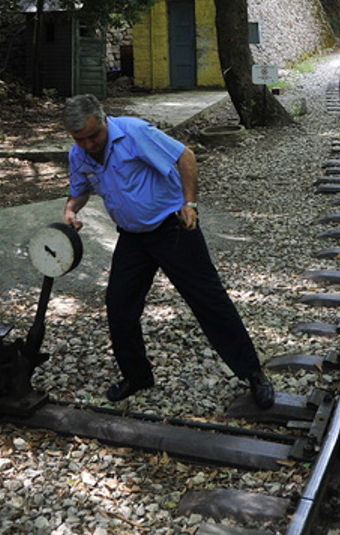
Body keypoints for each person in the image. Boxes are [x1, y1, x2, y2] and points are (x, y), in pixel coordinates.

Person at [61, 94, 275, 410]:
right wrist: (70, 209)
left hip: (172, 228)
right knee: (119, 307)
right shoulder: (79, 154)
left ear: (105, 120)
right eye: (81, 139)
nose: (90, 144)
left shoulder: (134, 133)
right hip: (133, 238)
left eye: (95, 136)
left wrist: (189, 204)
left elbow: (185, 156)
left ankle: (253, 373)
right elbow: (79, 192)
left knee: (209, 300)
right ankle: (138, 377)